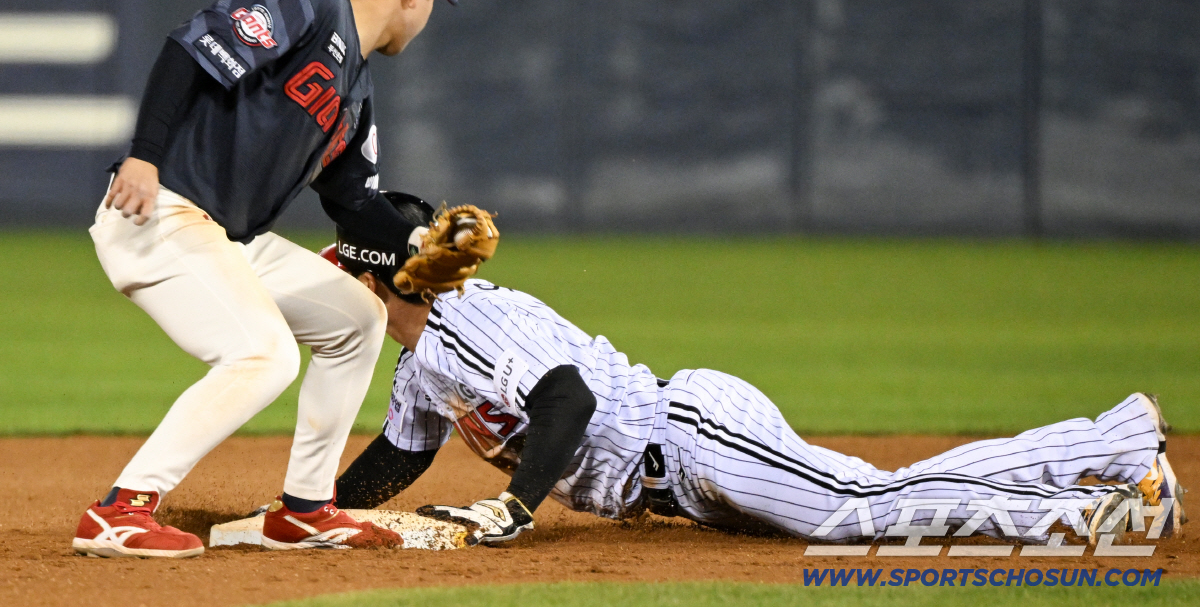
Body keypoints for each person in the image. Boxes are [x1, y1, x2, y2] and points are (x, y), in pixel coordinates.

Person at [324, 193, 1186, 546]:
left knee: (868, 506)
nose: (331, 289)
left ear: (374, 277)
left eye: (339, 273)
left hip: (694, 438)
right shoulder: (423, 366)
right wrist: (311, 513)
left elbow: (568, 398)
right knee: (874, 500)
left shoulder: (465, 322)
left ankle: (1108, 487)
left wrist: (516, 506)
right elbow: (400, 457)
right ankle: (1111, 453)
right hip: (682, 478)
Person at [74, 0, 458, 559]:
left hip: (225, 237)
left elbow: (354, 202)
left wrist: (421, 248)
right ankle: (121, 508)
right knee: (265, 353)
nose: (426, 15)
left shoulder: (357, 90)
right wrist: (143, 153)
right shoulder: (306, 3)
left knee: (357, 318)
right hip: (158, 208)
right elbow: (187, 47)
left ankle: (305, 509)